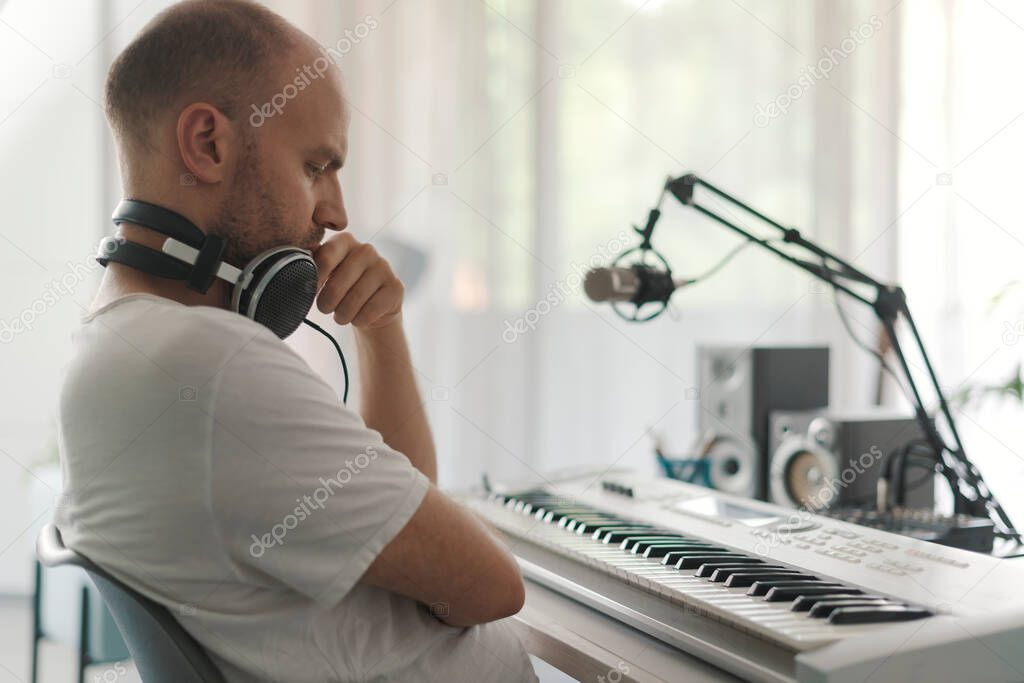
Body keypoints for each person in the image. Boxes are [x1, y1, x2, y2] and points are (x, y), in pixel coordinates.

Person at [55, 1, 536, 680]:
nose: (336, 212)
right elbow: (491, 588)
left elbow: (407, 511)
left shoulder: (120, 338)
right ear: (208, 144)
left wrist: (380, 330)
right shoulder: (212, 367)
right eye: (317, 166)